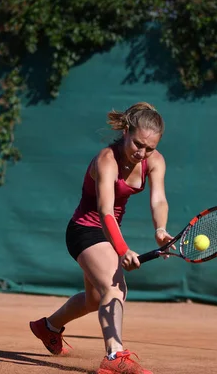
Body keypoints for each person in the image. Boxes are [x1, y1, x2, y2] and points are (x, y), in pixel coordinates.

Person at [29, 102, 174, 374]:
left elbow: (159, 200)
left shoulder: (155, 161)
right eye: (138, 145)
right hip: (84, 230)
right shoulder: (106, 159)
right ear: (126, 133)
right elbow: (105, 210)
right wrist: (122, 249)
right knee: (116, 288)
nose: (142, 153)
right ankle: (114, 356)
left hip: (108, 233)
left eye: (150, 148)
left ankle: (47, 327)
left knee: (94, 300)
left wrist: (160, 230)